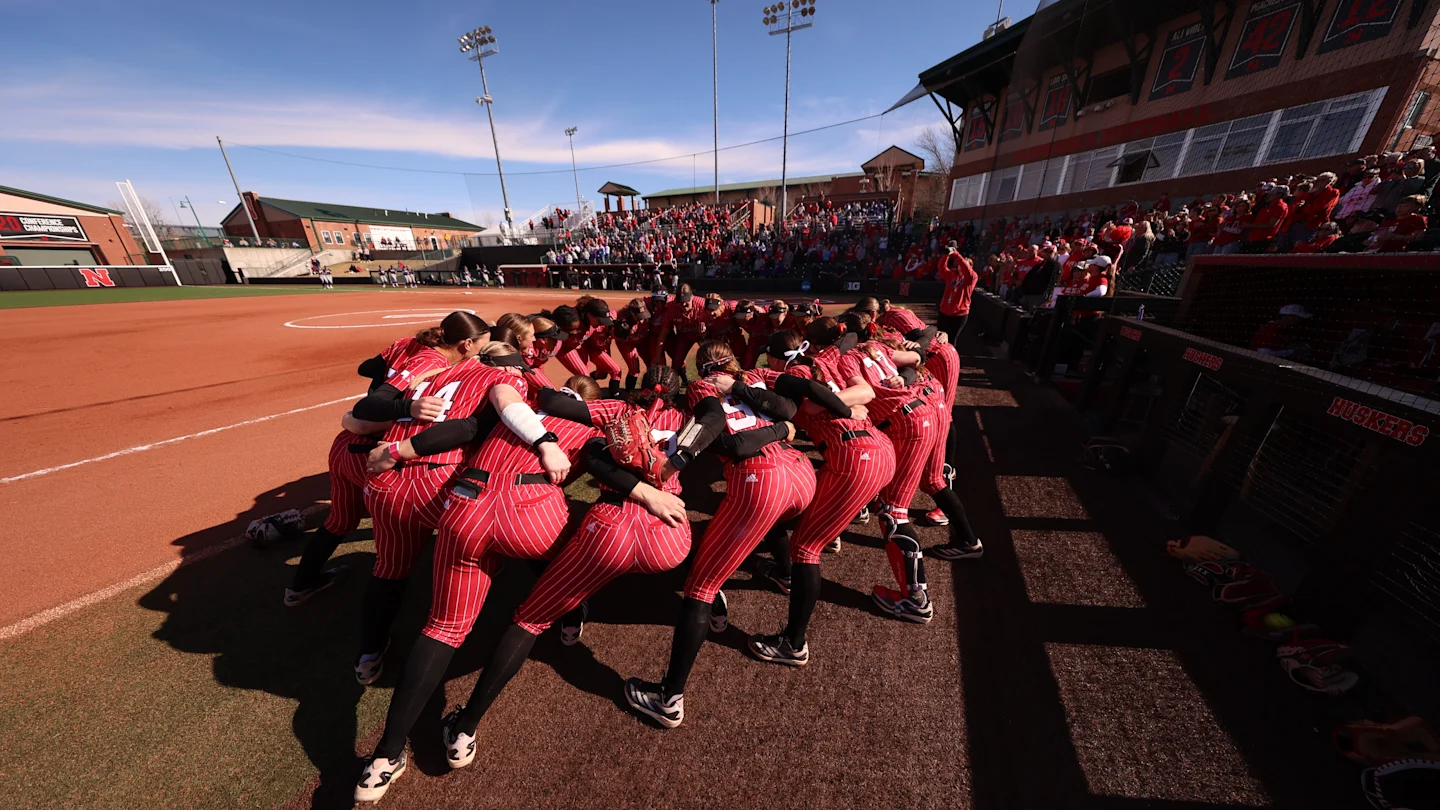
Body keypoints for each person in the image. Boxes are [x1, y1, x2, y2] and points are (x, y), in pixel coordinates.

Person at [438, 365, 718, 768]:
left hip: (610, 530)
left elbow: (559, 410)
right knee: (701, 587)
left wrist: (529, 373)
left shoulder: (615, 409)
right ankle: (685, 663)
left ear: (641, 387)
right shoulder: (692, 418)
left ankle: (465, 727)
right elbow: (719, 421)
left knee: (529, 620)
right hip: (670, 537)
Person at [353, 346, 587, 803]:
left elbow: (364, 419)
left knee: (440, 626)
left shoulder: (455, 378)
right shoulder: (577, 410)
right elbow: (610, 464)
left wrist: (395, 443)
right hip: (525, 516)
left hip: (460, 506)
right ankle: (466, 726)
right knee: (542, 600)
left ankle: (384, 755)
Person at [624, 340, 831, 729]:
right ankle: (792, 629)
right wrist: (779, 428)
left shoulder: (702, 386)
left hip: (760, 479)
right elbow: (788, 413)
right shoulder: (753, 377)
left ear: (703, 367)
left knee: (700, 587)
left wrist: (681, 457)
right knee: (799, 544)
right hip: (801, 473)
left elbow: (723, 432)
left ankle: (668, 698)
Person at [341, 312, 492, 685]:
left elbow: (360, 402)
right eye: (481, 347)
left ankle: (369, 653)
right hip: (435, 482)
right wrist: (404, 408)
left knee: (389, 569)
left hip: (388, 482)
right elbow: (365, 409)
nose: (482, 353)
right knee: (474, 549)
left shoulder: (435, 365)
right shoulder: (442, 364)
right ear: (467, 344)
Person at [745, 326, 889, 666]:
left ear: (775, 358)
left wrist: (836, 407)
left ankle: (793, 644)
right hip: (875, 448)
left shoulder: (793, 374)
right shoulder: (822, 360)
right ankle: (826, 536)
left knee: (805, 548)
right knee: (796, 511)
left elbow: (809, 404)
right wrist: (845, 404)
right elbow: (863, 388)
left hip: (854, 457)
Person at [837, 313, 943, 623]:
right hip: (919, 413)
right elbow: (918, 358)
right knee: (889, 504)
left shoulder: (847, 358)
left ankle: (916, 598)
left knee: (893, 512)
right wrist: (904, 378)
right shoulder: (877, 347)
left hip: (906, 423)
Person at [936, 240, 978, 343]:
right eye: (959, 264)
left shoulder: (972, 278)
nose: (961, 266)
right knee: (938, 337)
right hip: (945, 312)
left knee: (951, 340)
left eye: (964, 264)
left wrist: (955, 253)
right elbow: (941, 267)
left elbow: (967, 270)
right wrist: (946, 254)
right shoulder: (951, 276)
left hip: (959, 315)